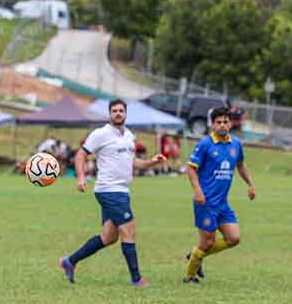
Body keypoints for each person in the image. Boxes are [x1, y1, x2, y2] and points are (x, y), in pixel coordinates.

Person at [59, 99, 167, 287]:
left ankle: (70, 261)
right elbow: (81, 155)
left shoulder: (129, 136)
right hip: (109, 190)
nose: (118, 113)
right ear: (110, 114)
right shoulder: (101, 134)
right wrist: (81, 177)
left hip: (122, 191)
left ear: (126, 113)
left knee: (109, 237)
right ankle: (136, 279)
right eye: (114, 111)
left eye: (121, 110)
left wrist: (151, 162)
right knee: (129, 230)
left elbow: (133, 162)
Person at [184, 107, 256, 283]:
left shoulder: (236, 144)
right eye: (218, 122)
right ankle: (189, 276)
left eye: (225, 122)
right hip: (205, 202)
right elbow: (191, 169)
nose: (222, 125)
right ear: (212, 124)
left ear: (230, 124)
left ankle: (196, 254)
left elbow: (240, 165)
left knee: (233, 238)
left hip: (222, 203)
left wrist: (250, 184)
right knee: (207, 242)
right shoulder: (205, 144)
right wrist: (198, 191)